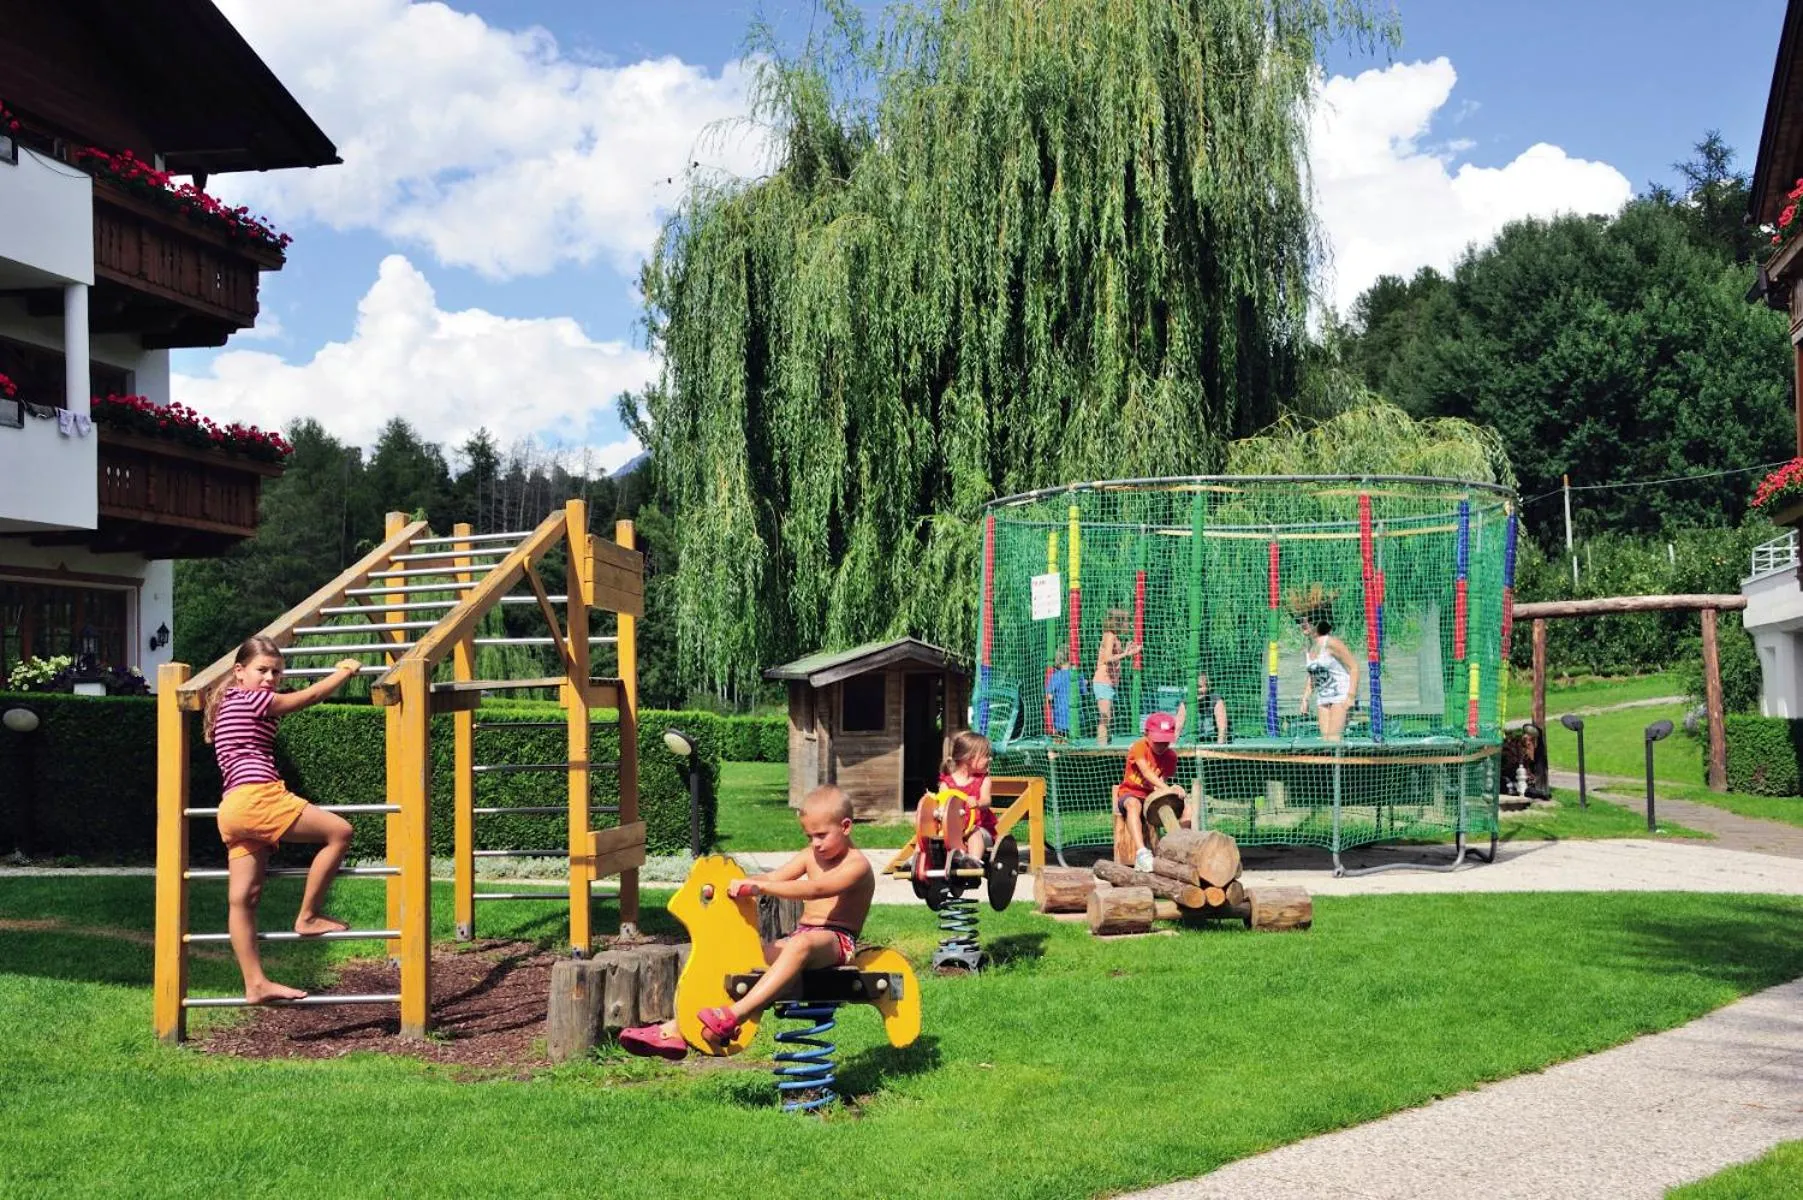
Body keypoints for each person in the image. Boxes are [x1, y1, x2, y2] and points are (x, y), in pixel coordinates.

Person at [619, 785, 875, 1059]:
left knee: (802, 944)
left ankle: (734, 1016)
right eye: (809, 836)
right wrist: (741, 883)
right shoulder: (810, 855)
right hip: (802, 936)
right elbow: (773, 878)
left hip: (837, 941)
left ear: (846, 826)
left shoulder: (856, 865)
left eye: (822, 835)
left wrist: (760, 889)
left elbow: (817, 890)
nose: (815, 843)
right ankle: (675, 1030)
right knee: (743, 959)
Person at [203, 636, 362, 1004]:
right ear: (239, 672)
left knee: (244, 898)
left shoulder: (228, 701)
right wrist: (342, 672)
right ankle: (308, 915)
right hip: (260, 796)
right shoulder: (251, 698)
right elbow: (306, 698)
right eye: (262, 670)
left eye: (276, 672)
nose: (270, 678)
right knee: (340, 831)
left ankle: (255, 983)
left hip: (232, 808)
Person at [912, 730, 995, 872]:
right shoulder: (947, 783)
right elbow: (942, 804)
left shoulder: (984, 781)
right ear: (969, 758)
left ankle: (973, 861)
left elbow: (987, 800)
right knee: (925, 833)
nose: (989, 759)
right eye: (985, 756)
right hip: (951, 827)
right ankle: (917, 858)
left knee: (974, 834)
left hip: (976, 826)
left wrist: (978, 803)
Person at [1113, 711, 1183, 872]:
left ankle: (1179, 852)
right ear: (1146, 735)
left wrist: (1174, 790)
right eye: (1158, 741)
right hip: (1130, 794)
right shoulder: (1139, 747)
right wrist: (1167, 789)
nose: (1162, 745)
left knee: (1186, 811)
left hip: (1152, 799)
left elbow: (1161, 781)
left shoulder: (1171, 756)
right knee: (1133, 804)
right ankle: (1142, 853)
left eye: (1166, 741)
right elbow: (1146, 772)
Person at [1296, 601, 1359, 741]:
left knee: (1334, 740)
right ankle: (1331, 763)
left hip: (1341, 695)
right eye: (1300, 620)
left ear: (1318, 621)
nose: (1303, 623)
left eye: (1309, 620)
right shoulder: (1309, 647)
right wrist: (1305, 699)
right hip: (1323, 696)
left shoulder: (1330, 643)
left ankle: (1341, 763)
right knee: (1325, 741)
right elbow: (1313, 675)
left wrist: (1351, 697)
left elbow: (1354, 667)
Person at [1091, 610, 1141, 745]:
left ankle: (1105, 744)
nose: (1128, 625)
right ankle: (1101, 749)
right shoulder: (1110, 636)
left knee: (1109, 716)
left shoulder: (1115, 637)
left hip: (1109, 683)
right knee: (1105, 717)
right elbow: (1107, 658)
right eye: (1126, 622)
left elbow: (1114, 656)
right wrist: (1125, 654)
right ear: (1118, 623)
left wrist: (1127, 651)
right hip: (1103, 681)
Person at [1172, 670, 1229, 744]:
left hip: (1211, 742)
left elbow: (1222, 728)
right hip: (1191, 742)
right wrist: (1172, 746)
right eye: (1194, 687)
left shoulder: (1216, 700)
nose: (1197, 690)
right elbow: (1178, 727)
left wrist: (1219, 747)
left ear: (1208, 687)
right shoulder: (1186, 702)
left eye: (1200, 687)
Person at [1043, 647, 1080, 739]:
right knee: (1074, 742)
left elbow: (1049, 697)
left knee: (1058, 743)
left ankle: (1053, 752)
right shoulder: (1076, 675)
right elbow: (1084, 690)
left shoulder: (1056, 677)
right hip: (1076, 719)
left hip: (1060, 719)